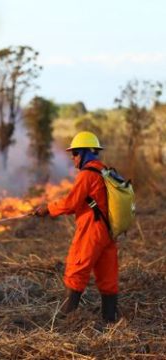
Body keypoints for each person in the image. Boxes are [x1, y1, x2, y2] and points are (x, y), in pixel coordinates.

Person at [34, 131, 118, 322]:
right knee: (108, 276)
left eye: (74, 154)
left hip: (92, 230)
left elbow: (71, 203)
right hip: (109, 231)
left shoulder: (87, 175)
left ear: (84, 153)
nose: (73, 158)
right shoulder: (105, 171)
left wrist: (47, 209)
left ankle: (65, 321)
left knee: (76, 270)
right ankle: (110, 322)